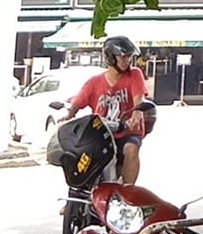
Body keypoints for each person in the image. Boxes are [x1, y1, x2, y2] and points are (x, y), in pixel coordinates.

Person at [62, 35, 149, 184]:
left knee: (131, 148)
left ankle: (126, 192)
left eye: (129, 56)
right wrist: (68, 116)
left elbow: (138, 101)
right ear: (110, 57)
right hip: (101, 134)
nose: (127, 60)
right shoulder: (94, 82)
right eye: (122, 57)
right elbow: (78, 103)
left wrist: (136, 114)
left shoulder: (135, 74)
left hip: (127, 132)